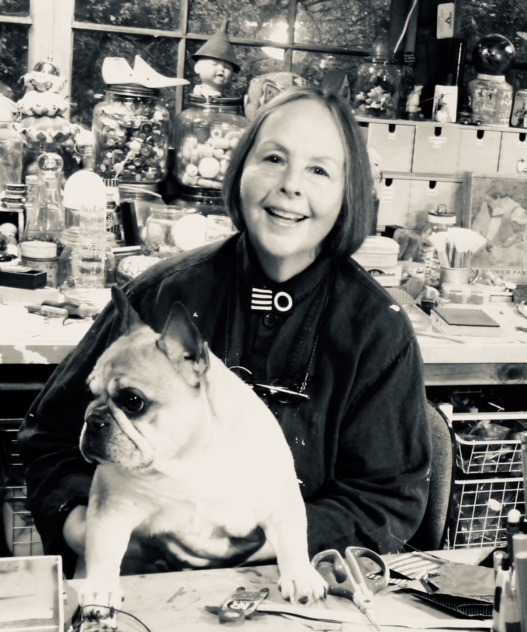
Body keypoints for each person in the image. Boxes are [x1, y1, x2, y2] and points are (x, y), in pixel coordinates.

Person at [18, 86, 431, 578]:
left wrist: (252, 546)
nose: (290, 185)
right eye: (274, 158)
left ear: (350, 193)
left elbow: (387, 503)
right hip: (135, 586)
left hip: (278, 586)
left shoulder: (377, 331)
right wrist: (83, 529)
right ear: (239, 172)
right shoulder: (156, 297)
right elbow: (50, 436)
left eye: (319, 169)